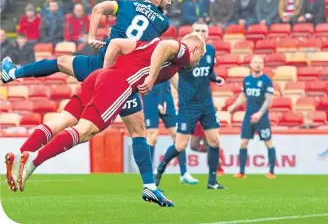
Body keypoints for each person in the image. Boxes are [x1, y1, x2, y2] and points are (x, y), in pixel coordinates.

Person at [2, 0, 174, 196]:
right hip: (122, 78)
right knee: (137, 131)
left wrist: (92, 36)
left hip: (98, 66)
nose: (169, 2)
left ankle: (14, 77)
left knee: (60, 66)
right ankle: (149, 186)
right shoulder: (163, 22)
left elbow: (97, 8)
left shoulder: (126, 4)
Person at [5, 34, 206, 207]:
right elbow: (165, 46)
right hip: (119, 83)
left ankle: (21, 154)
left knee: (64, 120)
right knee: (86, 130)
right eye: (200, 56)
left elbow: (116, 43)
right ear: (195, 47)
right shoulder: (183, 50)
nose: (198, 61)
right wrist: (149, 78)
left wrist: (105, 74)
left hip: (100, 75)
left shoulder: (153, 47)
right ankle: (33, 160)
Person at [154, 23, 226, 190]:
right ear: (192, 34)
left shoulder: (210, 51)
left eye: (204, 31)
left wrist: (216, 79)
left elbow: (209, 71)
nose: (201, 33)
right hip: (188, 106)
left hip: (206, 104)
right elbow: (166, 72)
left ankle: (212, 181)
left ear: (207, 34)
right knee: (180, 145)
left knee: (214, 141)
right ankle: (159, 170)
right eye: (198, 31)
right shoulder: (181, 54)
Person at [227, 55, 276, 179]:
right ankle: (242, 172)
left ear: (263, 65)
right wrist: (234, 106)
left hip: (262, 117)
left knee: (268, 142)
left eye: (260, 62)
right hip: (248, 116)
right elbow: (244, 95)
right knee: (243, 142)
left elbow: (268, 100)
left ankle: (271, 171)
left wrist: (259, 114)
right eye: (256, 62)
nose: (258, 64)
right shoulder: (247, 80)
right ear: (251, 65)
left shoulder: (267, 80)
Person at [144, 79, 199, 185]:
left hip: (166, 98)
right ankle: (149, 175)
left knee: (176, 134)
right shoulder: (146, 63)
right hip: (149, 99)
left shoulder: (167, 62)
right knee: (152, 136)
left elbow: (174, 79)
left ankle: (184, 173)